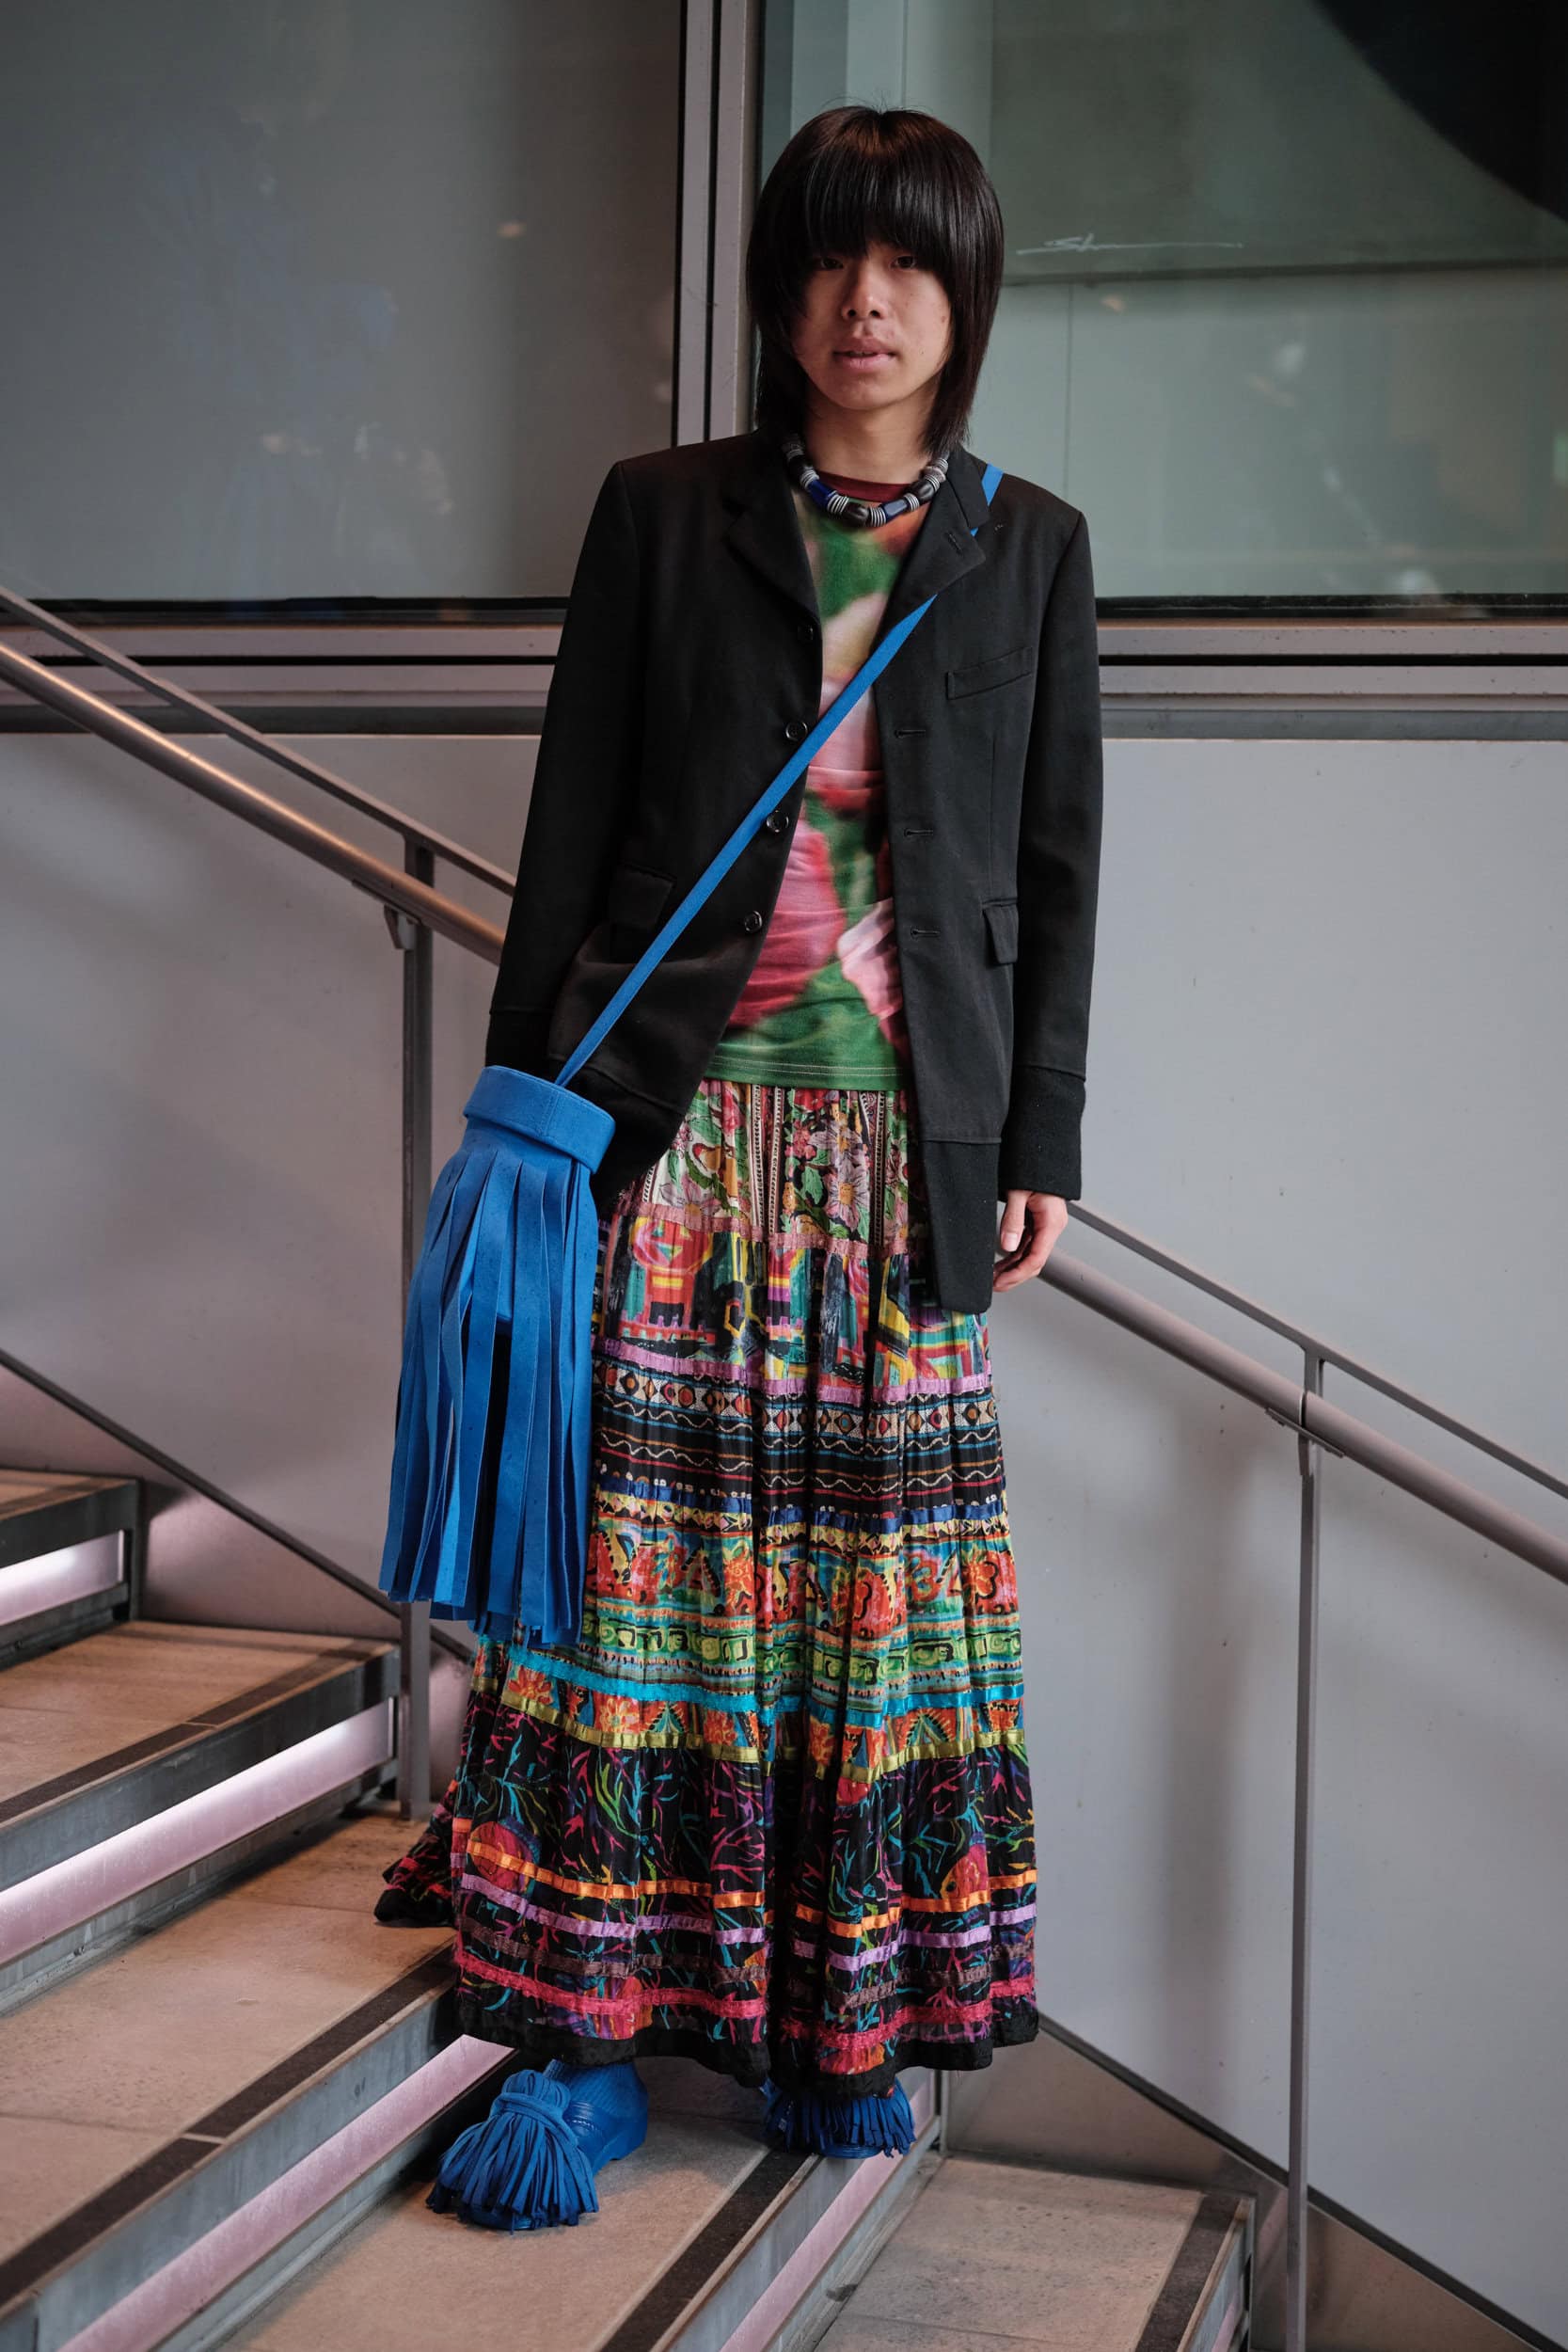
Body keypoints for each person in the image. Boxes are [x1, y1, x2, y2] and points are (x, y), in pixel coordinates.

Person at [374, 101, 1103, 2232]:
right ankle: (578, 2036)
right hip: (672, 1141)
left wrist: (1040, 1137)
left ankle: (821, 2023)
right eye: (831, 260)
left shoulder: (1028, 546)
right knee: (631, 1584)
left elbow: (1058, 869)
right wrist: (534, 1126)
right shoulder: (663, 515)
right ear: (781, 293)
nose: (868, 302)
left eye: (911, 262)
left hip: (903, 1161)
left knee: (865, 1603)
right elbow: (575, 822)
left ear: (964, 298)